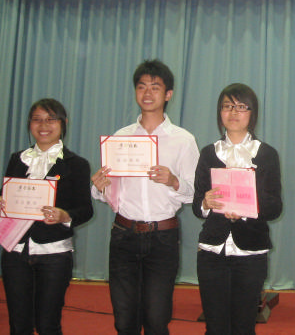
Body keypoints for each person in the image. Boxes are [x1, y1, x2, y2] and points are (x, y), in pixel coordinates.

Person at [91, 59, 200, 335]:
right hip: (123, 234)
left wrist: (174, 181)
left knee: (156, 318)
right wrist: (99, 186)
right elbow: (108, 191)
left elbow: (196, 194)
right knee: (124, 319)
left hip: (162, 236)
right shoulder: (121, 137)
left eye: (155, 87)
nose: (147, 93)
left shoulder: (183, 140)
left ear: (168, 94)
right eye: (141, 87)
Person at [193, 83, 282, 335]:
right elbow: (196, 205)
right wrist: (205, 203)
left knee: (244, 327)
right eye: (227, 106)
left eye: (241, 107)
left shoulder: (266, 154)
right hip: (212, 251)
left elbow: (275, 207)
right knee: (215, 327)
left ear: (252, 113)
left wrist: (248, 207)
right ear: (219, 112)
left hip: (251, 251)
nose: (233, 112)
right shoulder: (208, 153)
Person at [1, 98, 93, 335]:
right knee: (18, 325)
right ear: (29, 124)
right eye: (37, 120)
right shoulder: (17, 159)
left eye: (51, 119)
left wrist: (64, 215)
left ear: (63, 123)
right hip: (15, 252)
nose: (43, 125)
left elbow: (85, 210)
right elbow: (7, 197)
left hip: (54, 254)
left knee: (47, 325)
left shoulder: (77, 164)